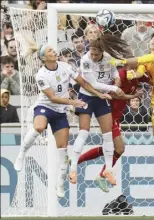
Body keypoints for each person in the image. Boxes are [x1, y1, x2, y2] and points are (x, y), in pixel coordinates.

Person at [13, 42, 110, 198]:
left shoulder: (65, 67)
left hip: (60, 112)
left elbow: (83, 82)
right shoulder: (41, 75)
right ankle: (21, 154)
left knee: (63, 150)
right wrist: (73, 102)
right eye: (50, 50)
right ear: (44, 57)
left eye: (53, 49)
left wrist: (98, 94)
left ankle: (59, 184)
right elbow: (52, 98)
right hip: (45, 107)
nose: (54, 51)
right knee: (39, 127)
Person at [68, 33, 130, 186]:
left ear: (102, 52)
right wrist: (114, 88)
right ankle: (73, 168)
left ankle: (108, 169)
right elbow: (93, 84)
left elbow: (113, 70)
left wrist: (117, 78)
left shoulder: (108, 57)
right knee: (84, 131)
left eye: (97, 54)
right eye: (92, 53)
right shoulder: (86, 60)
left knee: (107, 134)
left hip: (102, 98)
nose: (94, 56)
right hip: (88, 97)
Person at [75, 68, 149, 192]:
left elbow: (150, 78)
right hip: (109, 114)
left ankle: (77, 161)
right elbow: (113, 94)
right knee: (119, 148)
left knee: (110, 149)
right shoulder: (121, 74)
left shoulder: (137, 74)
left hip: (117, 116)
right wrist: (133, 96)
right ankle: (102, 174)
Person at [110, 31, 154, 150]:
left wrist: (122, 61)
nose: (153, 40)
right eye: (152, 38)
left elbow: (140, 60)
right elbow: (139, 72)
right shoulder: (146, 61)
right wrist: (133, 75)